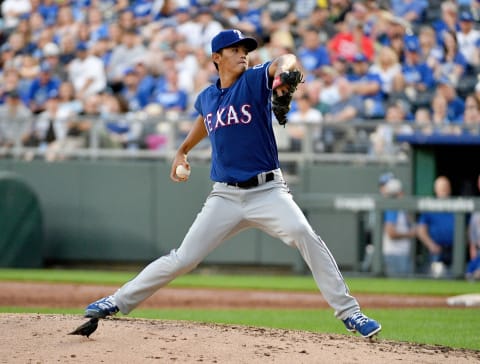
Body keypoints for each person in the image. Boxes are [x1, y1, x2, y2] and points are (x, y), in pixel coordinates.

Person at [84, 29, 381, 338]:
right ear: (216, 57)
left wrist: (285, 74)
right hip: (224, 196)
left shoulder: (254, 81)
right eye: (234, 49)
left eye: (245, 49)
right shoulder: (208, 97)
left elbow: (286, 60)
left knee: (303, 233)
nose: (243, 53)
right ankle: (116, 301)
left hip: (268, 191)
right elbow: (205, 121)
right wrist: (182, 150)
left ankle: (351, 313)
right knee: (184, 258)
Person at [416, 176, 455, 278]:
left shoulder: (456, 205)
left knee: (455, 277)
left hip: (454, 249)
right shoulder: (430, 206)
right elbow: (421, 230)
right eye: (442, 189)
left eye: (446, 188)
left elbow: (466, 228)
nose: (444, 191)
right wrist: (431, 244)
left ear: (450, 189)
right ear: (436, 190)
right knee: (436, 277)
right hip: (437, 249)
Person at [381, 178, 416, 277]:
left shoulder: (401, 208)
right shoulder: (392, 208)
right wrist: (410, 234)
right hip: (394, 254)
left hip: (402, 253)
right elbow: (391, 233)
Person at [466, 174, 480, 280]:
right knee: (470, 274)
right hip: (478, 250)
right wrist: (472, 248)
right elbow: (472, 230)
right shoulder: (476, 205)